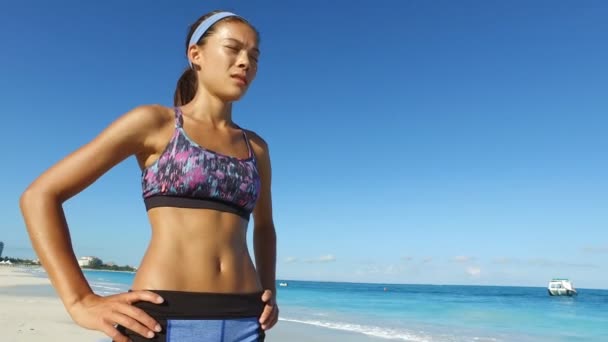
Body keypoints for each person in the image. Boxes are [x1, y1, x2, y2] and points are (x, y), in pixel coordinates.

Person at [19, 9, 278, 342]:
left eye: (254, 56)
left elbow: (265, 226)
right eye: (233, 49)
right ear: (195, 55)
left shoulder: (255, 147)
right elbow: (39, 196)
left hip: (244, 318)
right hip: (160, 316)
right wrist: (80, 300)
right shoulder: (156, 124)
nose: (246, 63)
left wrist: (270, 288)